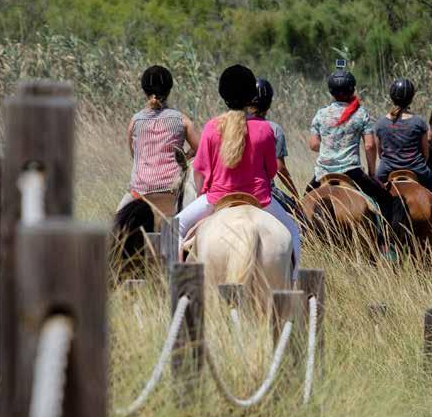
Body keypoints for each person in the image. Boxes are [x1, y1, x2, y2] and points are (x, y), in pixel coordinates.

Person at [175, 64, 301, 278]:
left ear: (224, 95)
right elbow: (271, 172)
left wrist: (202, 195)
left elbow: (199, 171)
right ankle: (295, 282)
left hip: (217, 198)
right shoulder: (265, 129)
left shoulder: (212, 127)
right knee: (293, 231)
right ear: (250, 97)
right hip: (260, 200)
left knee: (175, 227)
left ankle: (178, 284)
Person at [306, 69, 397, 228]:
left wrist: (331, 148)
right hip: (352, 172)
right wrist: (372, 174)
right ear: (351, 90)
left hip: (323, 173)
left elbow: (313, 144)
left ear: (331, 91)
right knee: (386, 200)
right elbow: (369, 145)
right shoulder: (361, 113)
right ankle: (385, 239)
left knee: (302, 205)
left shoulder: (321, 114)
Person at [118, 65, 199, 216]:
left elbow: (134, 155)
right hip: (173, 190)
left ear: (144, 91)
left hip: (139, 192)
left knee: (116, 225)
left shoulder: (135, 121)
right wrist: (186, 156)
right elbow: (200, 148)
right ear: (169, 90)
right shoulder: (181, 120)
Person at [375, 78, 432, 232]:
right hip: (417, 171)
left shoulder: (381, 123)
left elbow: (380, 153)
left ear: (392, 97)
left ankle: (377, 235)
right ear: (411, 98)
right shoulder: (418, 122)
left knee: (370, 198)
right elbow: (425, 153)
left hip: (386, 171)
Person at [248, 77, 299, 201]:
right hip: (263, 191)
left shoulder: (233, 126)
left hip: (233, 189)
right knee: (296, 212)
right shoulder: (274, 129)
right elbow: (280, 168)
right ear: (269, 103)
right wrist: (296, 194)